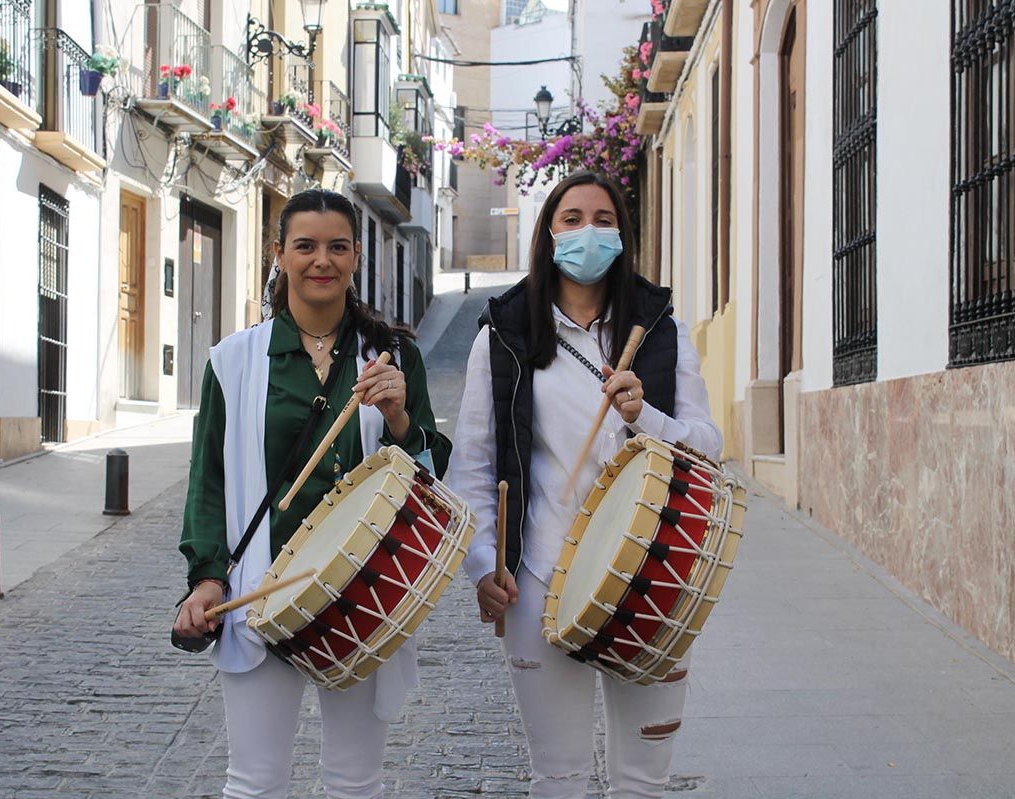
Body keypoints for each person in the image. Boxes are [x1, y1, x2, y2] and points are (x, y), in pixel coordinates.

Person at [449, 170, 722, 797]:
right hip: (541, 577)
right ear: (549, 234)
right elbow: (472, 465)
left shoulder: (661, 331)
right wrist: (485, 566)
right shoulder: (503, 335)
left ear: (623, 235)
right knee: (560, 777)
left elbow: (709, 446)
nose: (587, 232)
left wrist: (644, 417)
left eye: (603, 219)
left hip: (656, 573)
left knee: (642, 782)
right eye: (571, 219)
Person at [173, 188, 452, 799]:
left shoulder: (393, 355)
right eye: (305, 246)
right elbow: (208, 482)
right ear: (280, 254)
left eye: (336, 247)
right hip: (260, 594)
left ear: (356, 257)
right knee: (254, 781)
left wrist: (400, 416)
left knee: (356, 782)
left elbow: (431, 474)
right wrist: (207, 577)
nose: (320, 260)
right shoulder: (233, 360)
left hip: (364, 592)